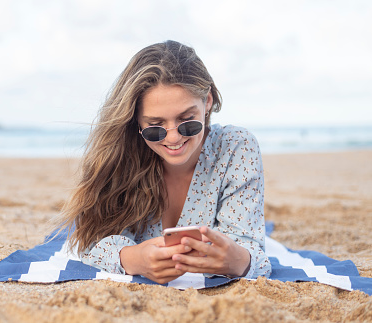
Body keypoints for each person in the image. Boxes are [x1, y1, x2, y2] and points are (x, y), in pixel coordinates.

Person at [57, 40, 271, 284]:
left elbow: (254, 253)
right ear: (135, 119)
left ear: (208, 101)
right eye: (155, 126)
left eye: (187, 120)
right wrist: (133, 259)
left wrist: (239, 262)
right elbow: (90, 241)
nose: (173, 137)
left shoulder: (236, 147)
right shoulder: (119, 155)